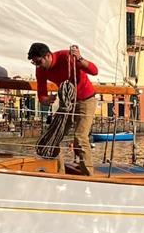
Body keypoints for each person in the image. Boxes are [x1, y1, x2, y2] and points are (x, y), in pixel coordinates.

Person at [28, 42, 98, 175]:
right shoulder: (41, 70)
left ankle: (89, 176)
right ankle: (60, 174)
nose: (38, 66)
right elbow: (41, 94)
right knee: (54, 137)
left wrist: (80, 58)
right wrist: (46, 100)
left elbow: (94, 71)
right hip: (67, 103)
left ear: (48, 56)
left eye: (38, 62)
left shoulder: (67, 57)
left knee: (80, 137)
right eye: (35, 63)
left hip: (86, 101)